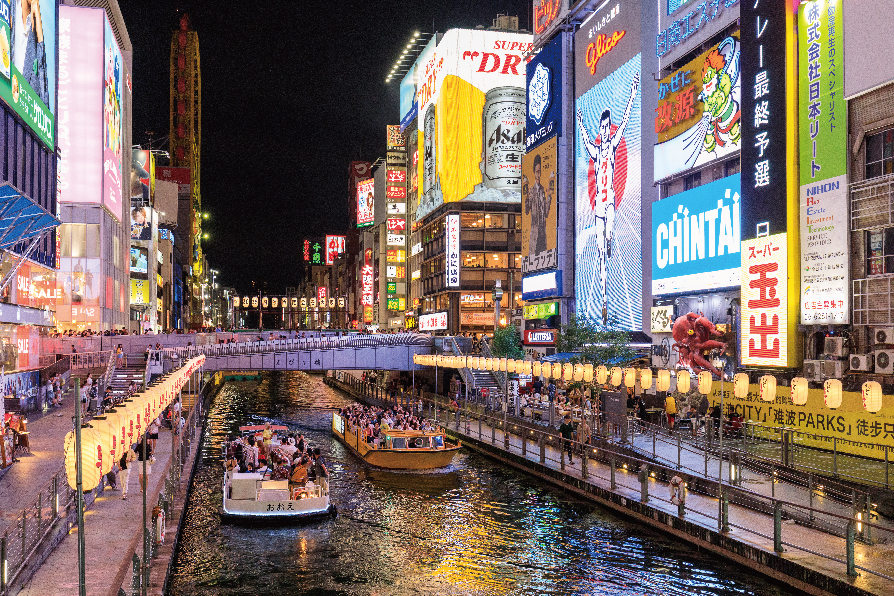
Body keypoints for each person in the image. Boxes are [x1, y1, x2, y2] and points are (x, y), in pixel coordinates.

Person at [577, 71, 639, 323]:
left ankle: (610, 237)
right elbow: (583, 139)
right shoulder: (595, 149)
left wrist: (633, 94)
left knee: (609, 233)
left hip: (609, 199)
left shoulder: (612, 145)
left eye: (605, 127)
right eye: (601, 128)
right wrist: (581, 123)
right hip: (598, 208)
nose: (603, 131)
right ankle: (603, 301)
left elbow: (624, 121)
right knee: (602, 255)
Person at [524, 152, 554, 256]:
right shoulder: (531, 191)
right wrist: (526, 198)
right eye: (537, 171)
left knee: (543, 260)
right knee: (533, 261)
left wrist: (549, 196)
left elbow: (546, 212)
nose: (538, 174)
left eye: (540, 171)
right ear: (534, 172)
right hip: (534, 234)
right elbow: (526, 211)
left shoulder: (542, 190)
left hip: (542, 233)